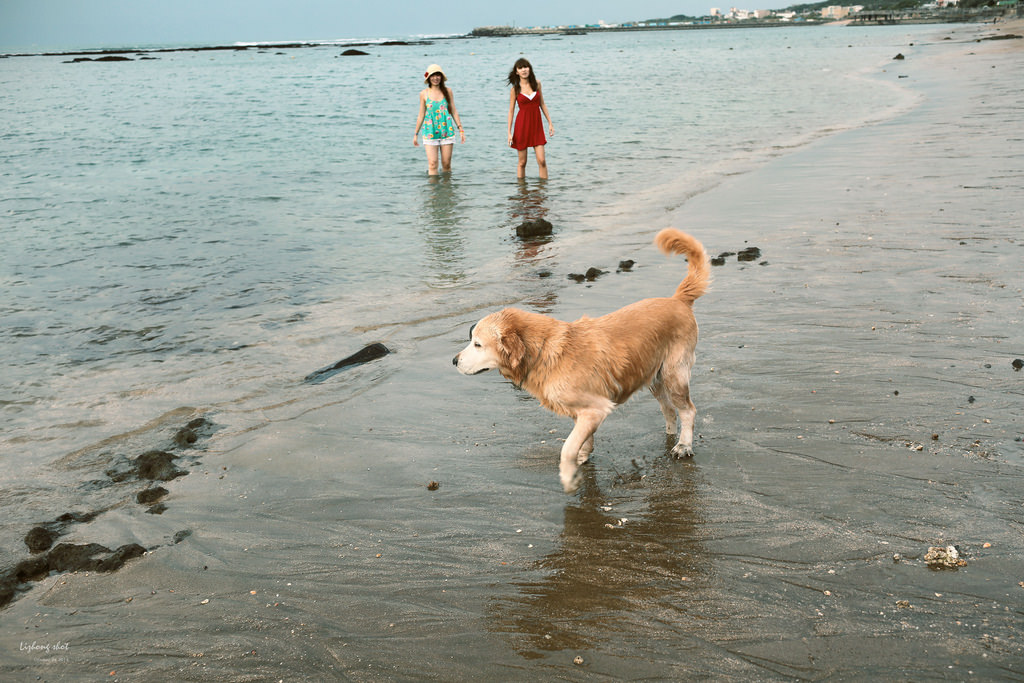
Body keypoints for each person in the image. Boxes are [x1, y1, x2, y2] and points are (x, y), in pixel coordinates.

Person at [414, 64, 465, 175]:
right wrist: (416, 134)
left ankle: (447, 186)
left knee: (446, 164)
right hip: (430, 131)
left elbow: (454, 111)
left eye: (438, 75)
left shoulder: (448, 91)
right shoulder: (424, 94)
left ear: (441, 77)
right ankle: (433, 186)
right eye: (433, 75)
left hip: (446, 130)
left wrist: (460, 129)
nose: (435, 78)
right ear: (428, 78)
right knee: (433, 164)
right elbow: (421, 115)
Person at [507, 58, 554, 179]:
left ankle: (543, 188)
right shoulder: (515, 89)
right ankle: (521, 189)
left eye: (526, 67)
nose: (524, 70)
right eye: (520, 68)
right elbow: (511, 111)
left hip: (536, 127)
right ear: (516, 72)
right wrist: (509, 133)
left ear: (530, 69)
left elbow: (542, 104)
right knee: (522, 163)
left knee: (542, 161)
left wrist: (550, 123)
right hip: (522, 127)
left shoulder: (537, 84)